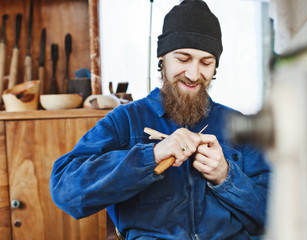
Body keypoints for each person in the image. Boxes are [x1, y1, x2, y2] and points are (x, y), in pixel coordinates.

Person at [50, 0, 271, 239]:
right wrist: (151, 156)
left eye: (206, 62)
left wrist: (225, 176)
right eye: (183, 59)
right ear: (162, 58)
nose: (194, 74)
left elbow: (276, 211)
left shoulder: (237, 124)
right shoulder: (124, 120)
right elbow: (66, 191)